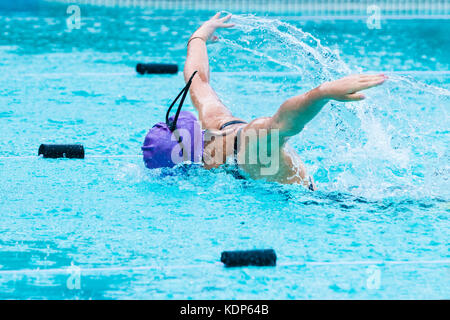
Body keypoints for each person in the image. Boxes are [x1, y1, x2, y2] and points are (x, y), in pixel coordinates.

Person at [143, 13, 386, 190]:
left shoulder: (249, 147)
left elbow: (284, 122)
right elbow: (198, 79)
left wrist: (323, 93)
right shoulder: (215, 121)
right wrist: (198, 38)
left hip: (322, 204)